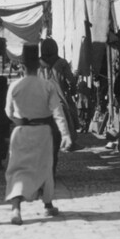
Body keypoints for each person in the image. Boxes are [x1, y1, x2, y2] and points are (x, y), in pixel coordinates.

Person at [4, 44, 73, 225]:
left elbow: (8, 111)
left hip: (21, 132)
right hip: (43, 132)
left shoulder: (14, 86)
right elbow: (58, 112)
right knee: (45, 168)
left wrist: (19, 120)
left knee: (17, 169)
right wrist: (65, 134)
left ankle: (16, 209)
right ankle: (48, 205)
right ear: (39, 65)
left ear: (22, 66)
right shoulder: (47, 86)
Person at [39, 38, 81, 177]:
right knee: (71, 119)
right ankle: (70, 142)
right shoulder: (62, 63)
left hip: (41, 104)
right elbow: (71, 82)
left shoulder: (37, 64)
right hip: (59, 101)